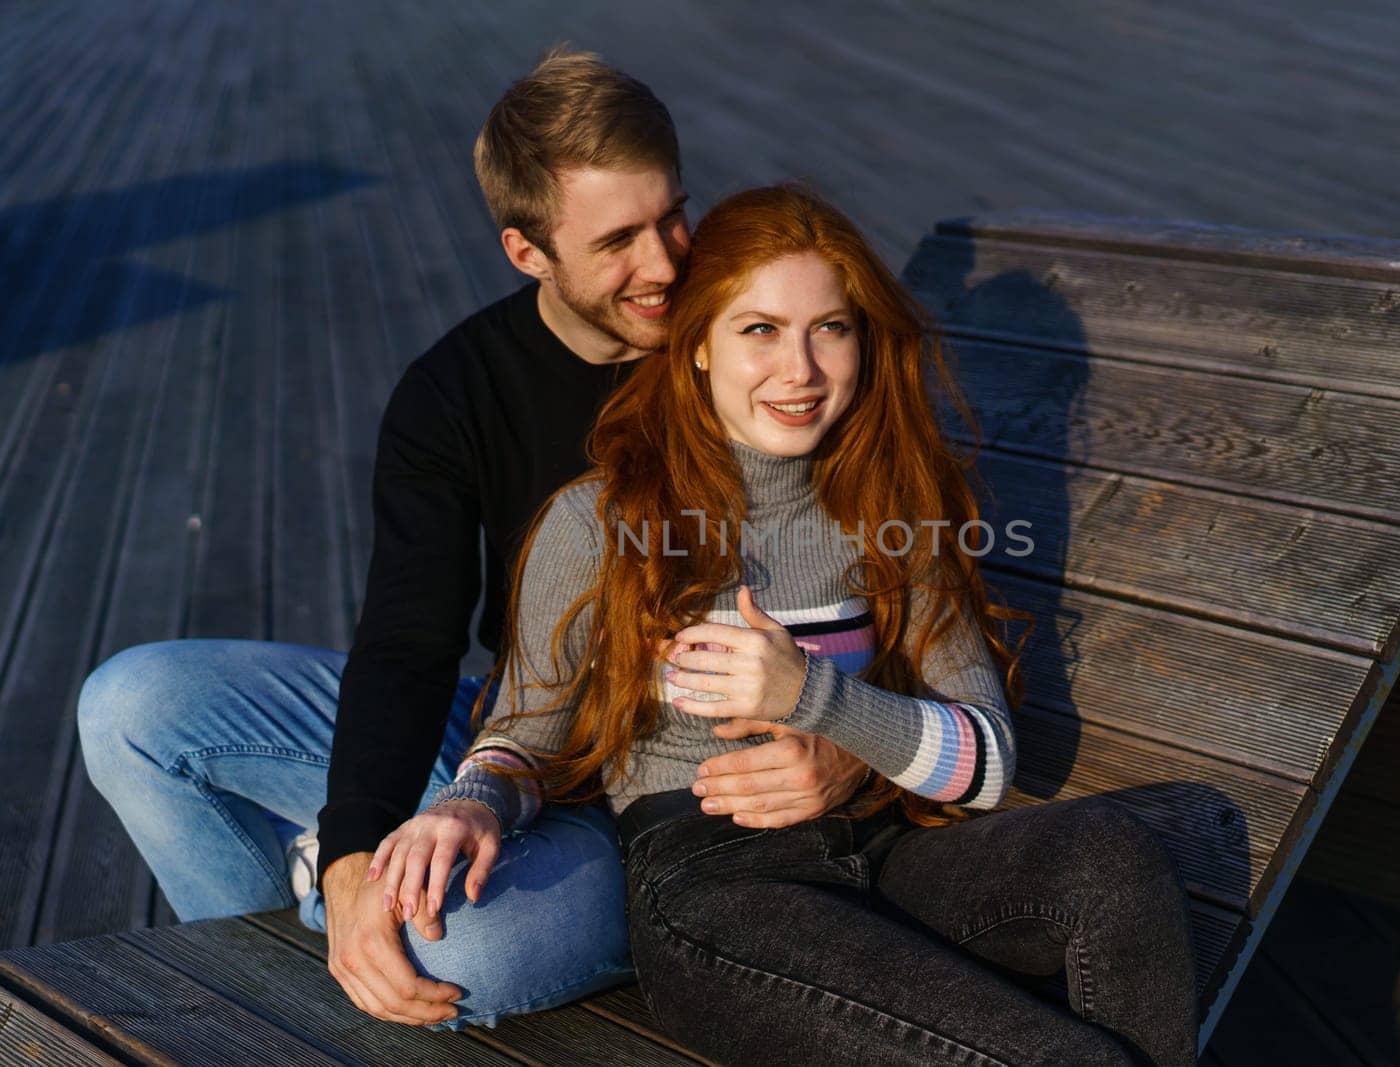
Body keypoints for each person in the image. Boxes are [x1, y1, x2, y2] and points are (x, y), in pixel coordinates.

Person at [74, 50, 867, 1029]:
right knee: (132, 707)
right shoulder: (455, 390)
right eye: (618, 238)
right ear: (526, 251)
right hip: (510, 739)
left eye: (673, 214)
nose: (666, 263)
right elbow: (409, 636)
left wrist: (853, 747)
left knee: (441, 947)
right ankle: (323, 948)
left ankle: (335, 951)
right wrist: (359, 853)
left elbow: (886, 577)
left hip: (663, 803)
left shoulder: (763, 348)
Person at [373, 185, 1199, 1065]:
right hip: (716, 888)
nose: (800, 369)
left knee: (1115, 861)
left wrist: (818, 700)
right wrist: (469, 801)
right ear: (696, 345)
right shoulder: (600, 519)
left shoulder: (895, 512)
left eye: (830, 328)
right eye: (760, 329)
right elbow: (523, 736)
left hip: (888, 854)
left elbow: (988, 759)